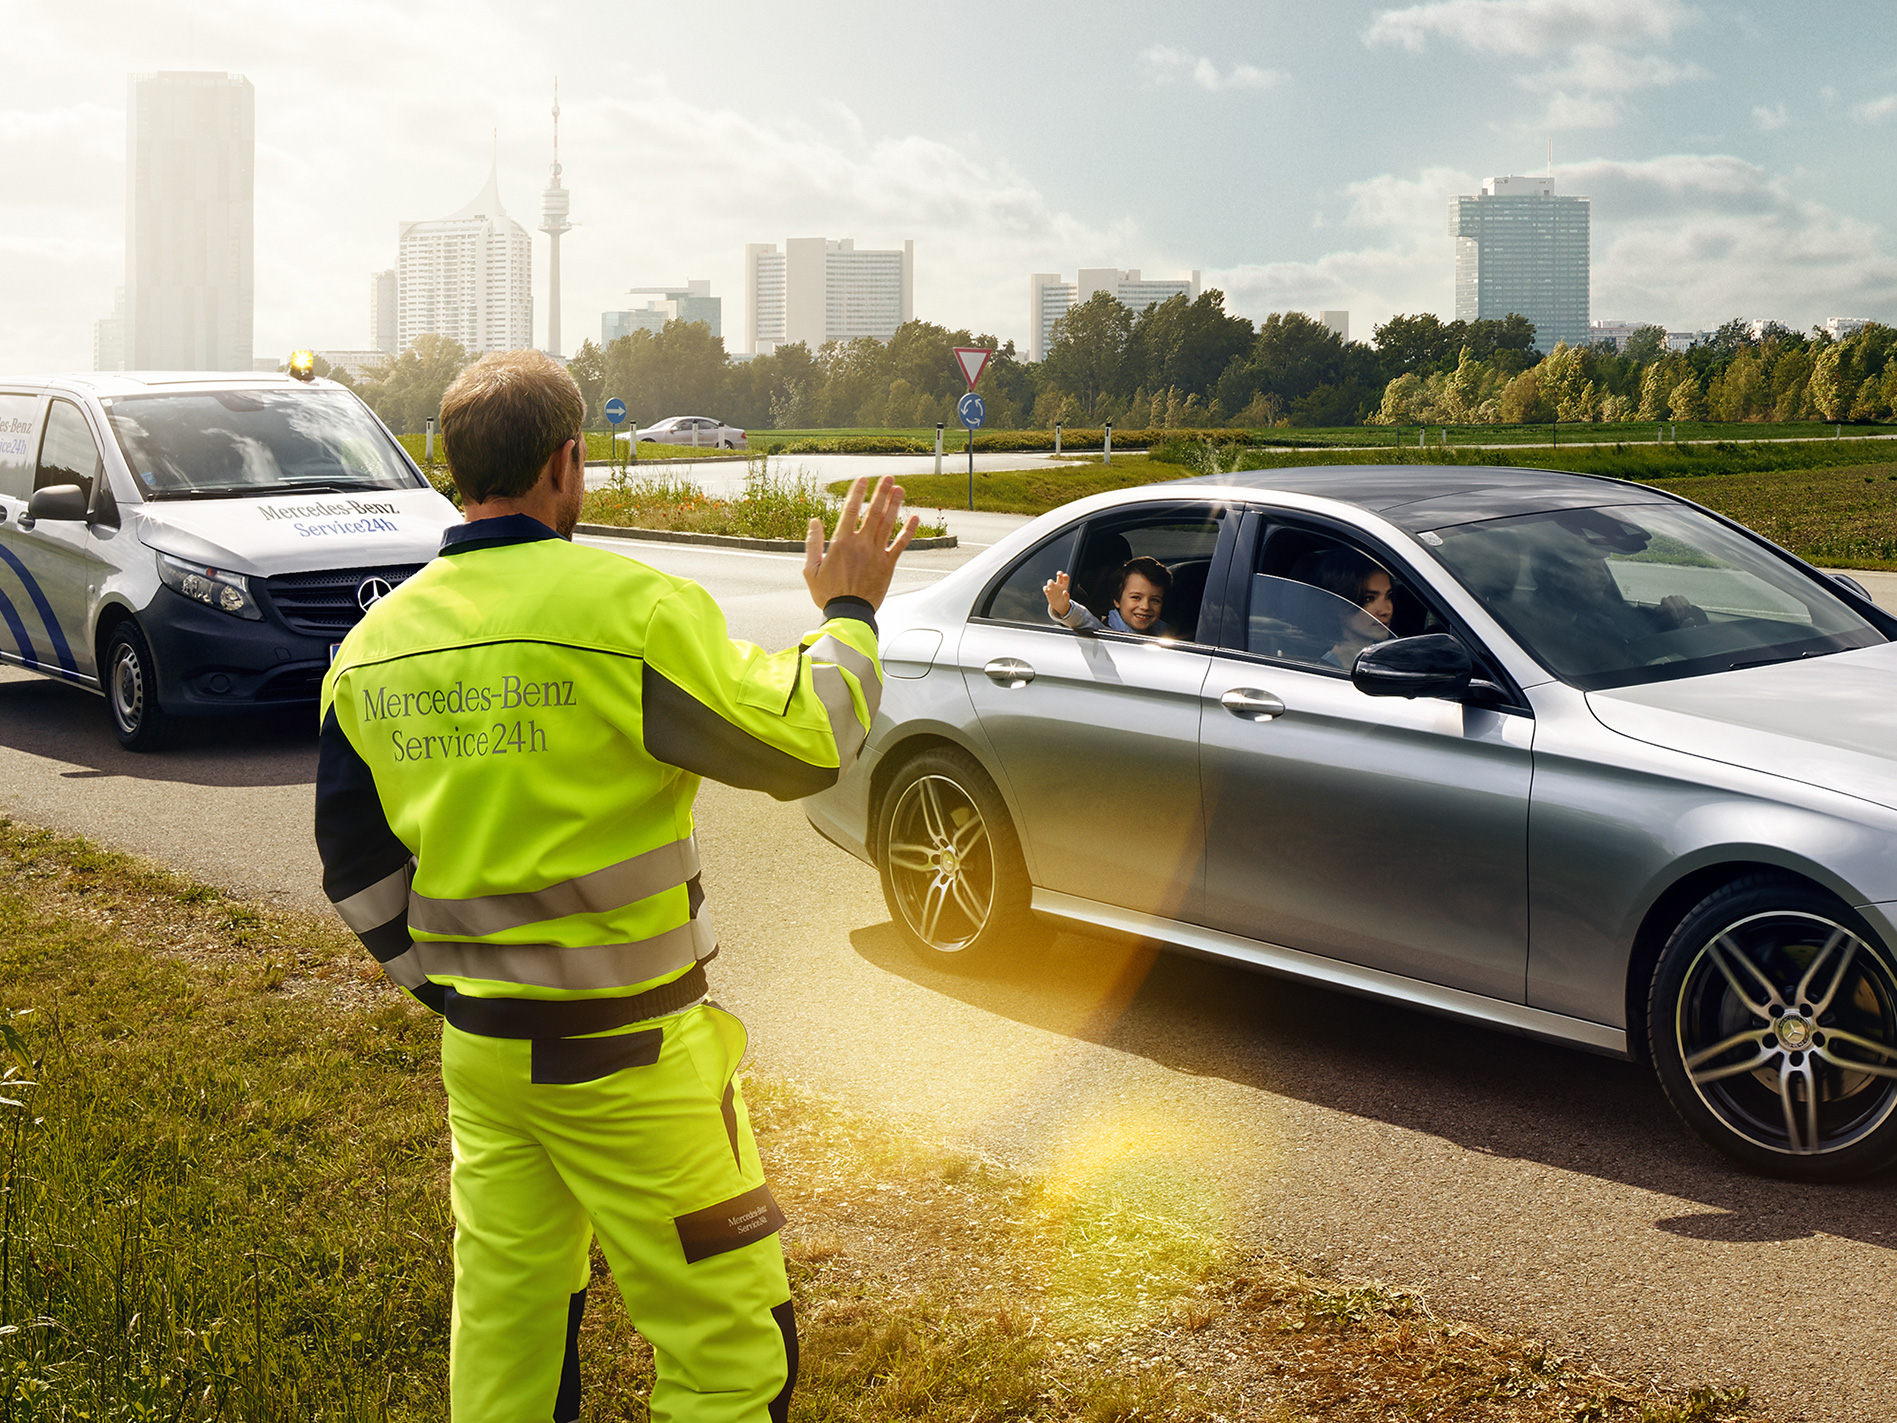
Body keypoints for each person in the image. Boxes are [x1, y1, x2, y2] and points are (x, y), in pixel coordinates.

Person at [313, 350, 917, 1422]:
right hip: (633, 1059)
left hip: (485, 1059)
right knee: (732, 1346)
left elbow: (354, 867)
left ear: (457, 467)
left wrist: (449, 990)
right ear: (570, 463)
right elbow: (807, 742)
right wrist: (851, 613)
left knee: (508, 1334)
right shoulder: (628, 610)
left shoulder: (371, 649)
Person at [1306, 548, 1396, 668]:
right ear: (1338, 605)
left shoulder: (1387, 655)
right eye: (1368, 599)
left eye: (1388, 596)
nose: (1386, 610)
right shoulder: (1325, 670)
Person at [1043, 555, 1173, 635]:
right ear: (1117, 599)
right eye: (1136, 597)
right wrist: (1064, 608)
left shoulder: (1162, 629)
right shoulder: (1106, 630)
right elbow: (1084, 621)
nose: (1145, 606)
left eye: (1155, 600)